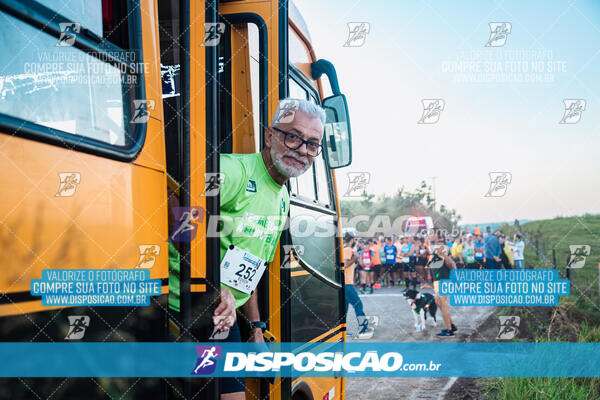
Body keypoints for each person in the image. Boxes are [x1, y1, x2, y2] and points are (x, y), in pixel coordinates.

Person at [211, 98, 326, 400]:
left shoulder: (283, 199)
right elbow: (177, 210)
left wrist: (257, 329)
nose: (302, 149)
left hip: (226, 317)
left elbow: (249, 269)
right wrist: (209, 285)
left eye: (312, 144)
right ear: (269, 136)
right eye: (293, 136)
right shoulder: (233, 171)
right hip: (185, 304)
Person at [344, 233, 374, 338]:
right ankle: (363, 328)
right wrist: (355, 257)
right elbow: (345, 264)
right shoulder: (348, 249)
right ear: (352, 240)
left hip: (345, 283)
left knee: (345, 308)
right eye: (355, 240)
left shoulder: (345, 249)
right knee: (358, 305)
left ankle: (340, 330)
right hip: (347, 283)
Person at [429, 242, 458, 337]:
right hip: (437, 282)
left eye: (440, 246)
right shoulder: (434, 256)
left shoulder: (445, 256)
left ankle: (448, 329)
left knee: (443, 304)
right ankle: (451, 325)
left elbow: (453, 265)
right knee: (438, 302)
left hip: (443, 281)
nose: (437, 247)